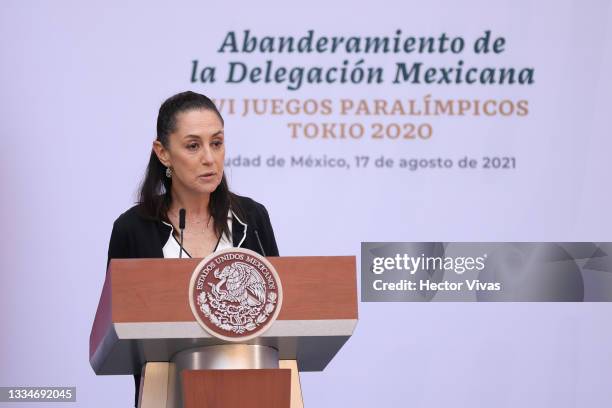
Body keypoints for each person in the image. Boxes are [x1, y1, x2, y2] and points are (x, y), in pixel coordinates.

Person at [105, 91, 279, 406]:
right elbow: (117, 330)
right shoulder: (131, 229)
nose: (210, 158)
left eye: (217, 143)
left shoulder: (252, 218)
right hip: (169, 395)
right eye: (193, 146)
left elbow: (283, 315)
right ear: (163, 152)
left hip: (254, 393)